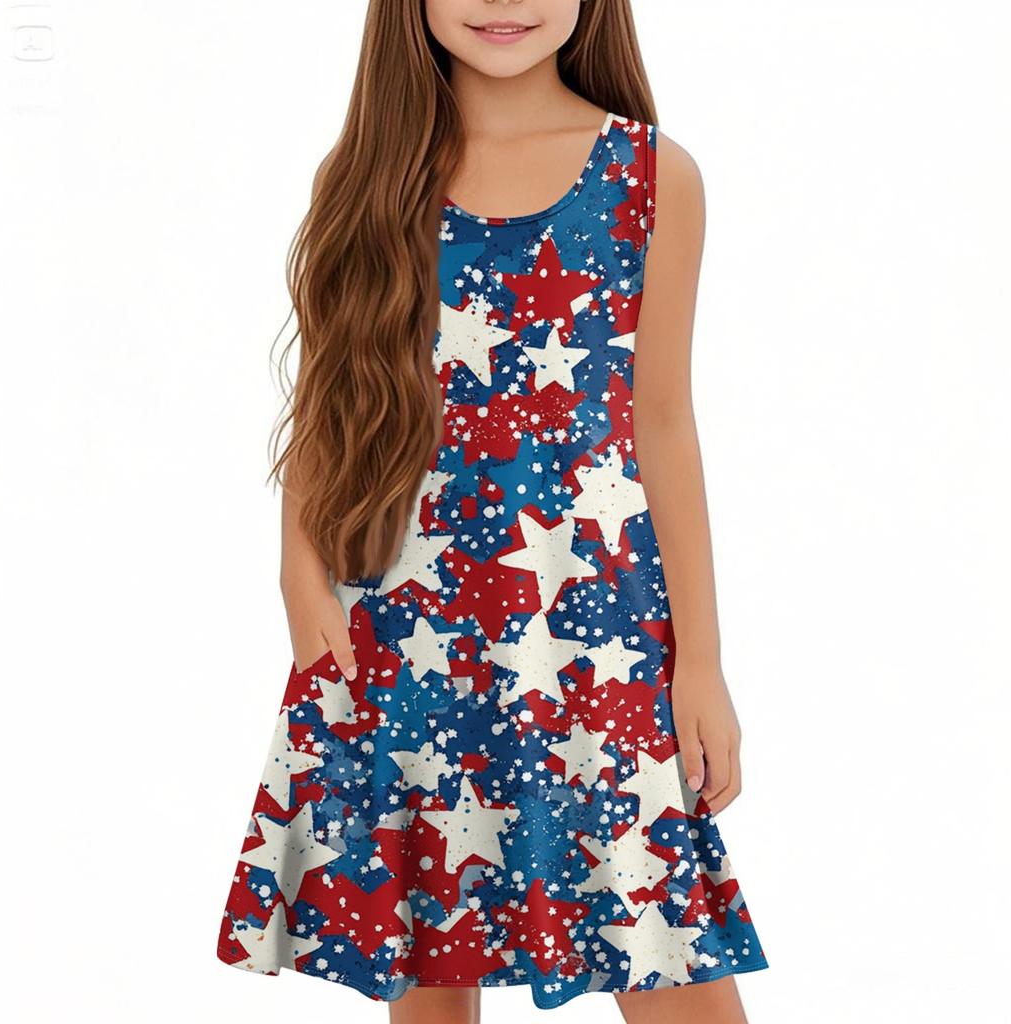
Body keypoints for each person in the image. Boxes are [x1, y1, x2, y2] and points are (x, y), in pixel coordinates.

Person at [215, 1, 769, 1020]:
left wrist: (701, 659)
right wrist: (297, 569)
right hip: (406, 622)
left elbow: (662, 420)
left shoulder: (652, 174)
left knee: (662, 945)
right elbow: (331, 396)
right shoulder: (367, 176)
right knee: (427, 950)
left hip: (593, 636)